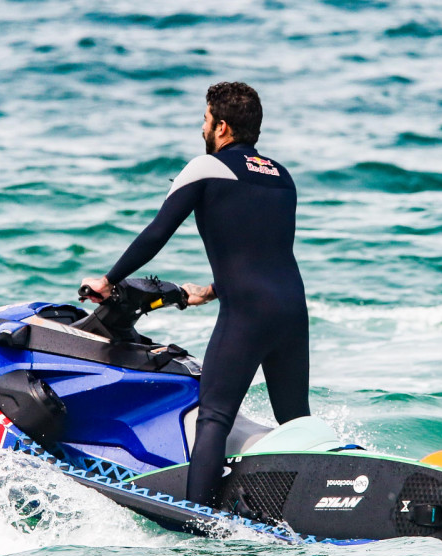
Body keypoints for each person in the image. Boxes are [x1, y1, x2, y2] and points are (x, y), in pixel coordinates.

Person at [81, 82, 310, 507]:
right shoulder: (282, 176)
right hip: (292, 309)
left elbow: (157, 232)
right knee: (294, 419)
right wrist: (211, 291)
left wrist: (109, 279)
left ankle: (199, 527)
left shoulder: (205, 168)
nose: (201, 127)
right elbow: (267, 253)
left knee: (214, 417)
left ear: (221, 127)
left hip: (248, 314)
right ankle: (316, 500)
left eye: (205, 119)